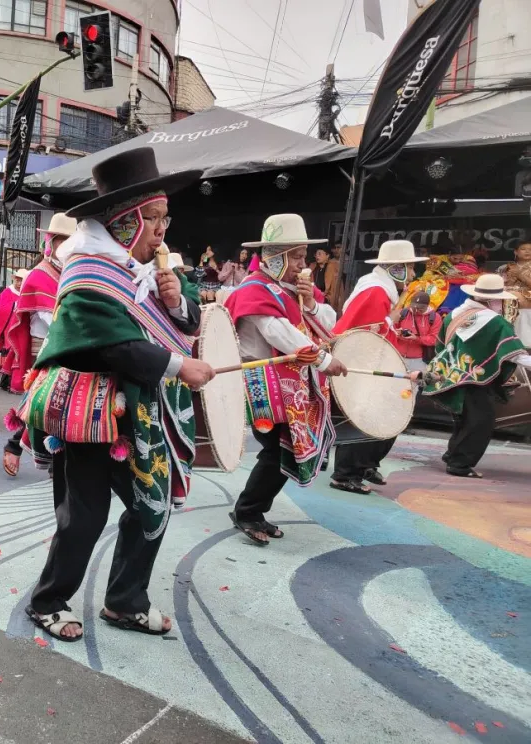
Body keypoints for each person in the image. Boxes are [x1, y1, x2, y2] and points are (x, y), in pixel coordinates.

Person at [23, 148, 214, 642]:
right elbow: (115, 346)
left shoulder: (140, 269)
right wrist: (180, 365)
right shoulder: (88, 271)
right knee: (83, 517)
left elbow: (186, 321)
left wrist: (176, 300)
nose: (161, 230)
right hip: (88, 411)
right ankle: (48, 600)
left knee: (151, 507)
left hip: (139, 414)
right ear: (124, 221)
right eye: (152, 219)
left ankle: (124, 601)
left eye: (164, 218)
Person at [224, 214, 346, 547]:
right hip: (260, 382)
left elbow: (329, 323)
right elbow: (277, 331)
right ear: (274, 256)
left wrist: (309, 301)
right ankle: (247, 510)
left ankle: (254, 510)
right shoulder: (255, 289)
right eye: (295, 257)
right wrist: (323, 360)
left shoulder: (291, 290)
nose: (301, 264)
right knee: (276, 452)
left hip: (289, 383)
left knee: (284, 450)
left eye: (303, 256)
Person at [329, 240, 427, 494]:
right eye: (410, 267)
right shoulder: (376, 292)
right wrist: (390, 320)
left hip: (373, 363)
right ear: (396, 269)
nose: (414, 274)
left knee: (381, 415)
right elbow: (362, 334)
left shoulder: (381, 291)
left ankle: (364, 464)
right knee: (364, 417)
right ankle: (347, 472)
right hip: (364, 367)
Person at [424, 274, 531, 478]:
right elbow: (515, 354)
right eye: (500, 300)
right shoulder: (495, 322)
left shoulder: (456, 313)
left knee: (464, 418)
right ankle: (459, 463)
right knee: (481, 420)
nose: (501, 304)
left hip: (451, 375)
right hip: (476, 379)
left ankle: (453, 454)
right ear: (491, 300)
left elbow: (440, 344)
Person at [2, 212, 76, 476]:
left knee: (62, 404)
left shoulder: (74, 271)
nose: (67, 247)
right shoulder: (38, 274)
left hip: (73, 346)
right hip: (45, 346)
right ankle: (21, 447)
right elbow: (48, 317)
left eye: (72, 241)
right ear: (51, 242)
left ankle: (49, 454)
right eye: (62, 241)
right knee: (42, 402)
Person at [0, 270, 27, 392]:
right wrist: (14, 305)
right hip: (10, 328)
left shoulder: (25, 293)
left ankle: (10, 381)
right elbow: (0, 308)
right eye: (17, 280)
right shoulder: (7, 292)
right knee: (12, 353)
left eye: (21, 280)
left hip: (20, 328)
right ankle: (7, 380)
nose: (19, 283)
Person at [394, 291, 443, 372]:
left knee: (418, 383)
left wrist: (417, 338)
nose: (416, 310)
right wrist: (397, 333)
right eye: (414, 307)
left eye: (420, 309)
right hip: (398, 355)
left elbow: (434, 339)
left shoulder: (434, 318)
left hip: (419, 359)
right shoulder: (403, 313)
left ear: (427, 306)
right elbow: (392, 328)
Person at [499, 240, 531, 347]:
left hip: (527, 297)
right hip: (510, 297)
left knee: (512, 295)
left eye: (530, 250)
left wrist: (521, 275)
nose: (527, 252)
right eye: (523, 249)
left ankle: (511, 336)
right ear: (516, 252)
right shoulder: (507, 267)